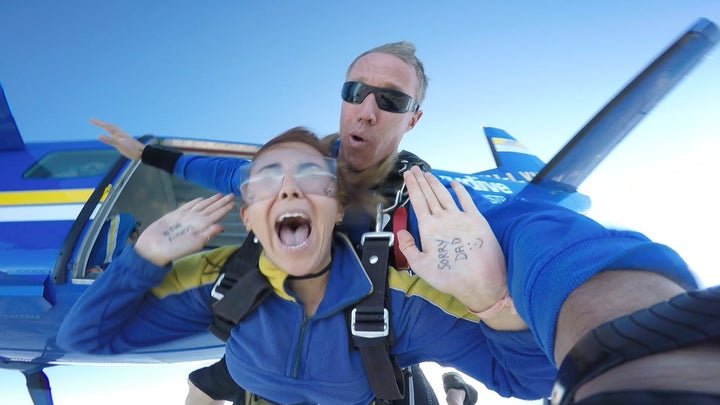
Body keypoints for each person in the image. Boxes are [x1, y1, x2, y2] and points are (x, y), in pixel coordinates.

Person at [91, 40, 719, 404]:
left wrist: (638, 344)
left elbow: (541, 233)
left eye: (389, 100)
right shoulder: (290, 175)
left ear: (412, 119)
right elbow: (219, 172)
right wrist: (149, 154)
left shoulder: (428, 200)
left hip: (356, 370)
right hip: (266, 357)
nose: (366, 110)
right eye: (354, 91)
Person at [58, 127, 550, 404]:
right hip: (255, 372)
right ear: (246, 212)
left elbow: (529, 381)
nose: (288, 188)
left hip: (359, 372)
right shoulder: (223, 278)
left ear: (339, 204)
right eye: (269, 180)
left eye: (312, 177)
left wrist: (493, 301)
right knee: (205, 386)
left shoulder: (401, 300)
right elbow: (82, 338)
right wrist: (143, 251)